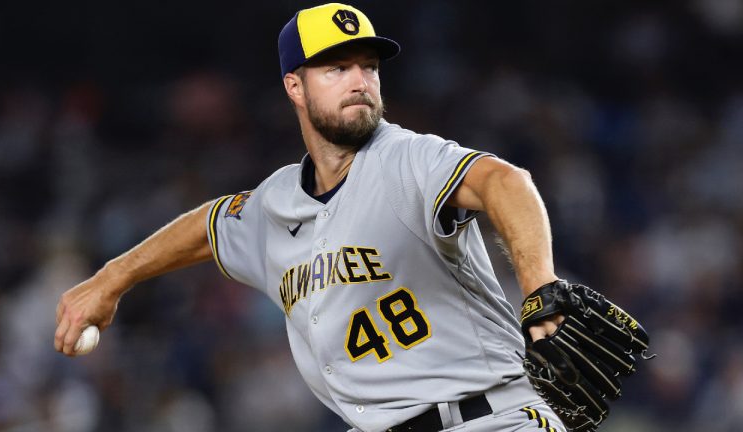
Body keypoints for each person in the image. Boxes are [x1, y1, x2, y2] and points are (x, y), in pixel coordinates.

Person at [55, 3, 567, 431]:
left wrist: (541, 291)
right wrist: (110, 280)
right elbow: (207, 229)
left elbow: (506, 182)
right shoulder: (275, 203)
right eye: (336, 68)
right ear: (295, 87)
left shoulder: (408, 159)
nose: (360, 81)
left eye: (369, 65)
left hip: (491, 420)